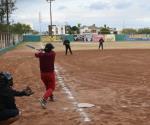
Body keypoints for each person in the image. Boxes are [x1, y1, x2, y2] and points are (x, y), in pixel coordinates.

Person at [35, 43, 56, 109]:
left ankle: (51, 97)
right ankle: (44, 99)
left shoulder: (41, 55)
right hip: (50, 74)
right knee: (51, 88)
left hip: (43, 74)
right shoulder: (52, 54)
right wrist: (43, 49)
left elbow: (36, 54)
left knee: (48, 86)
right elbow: (51, 51)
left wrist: (41, 50)